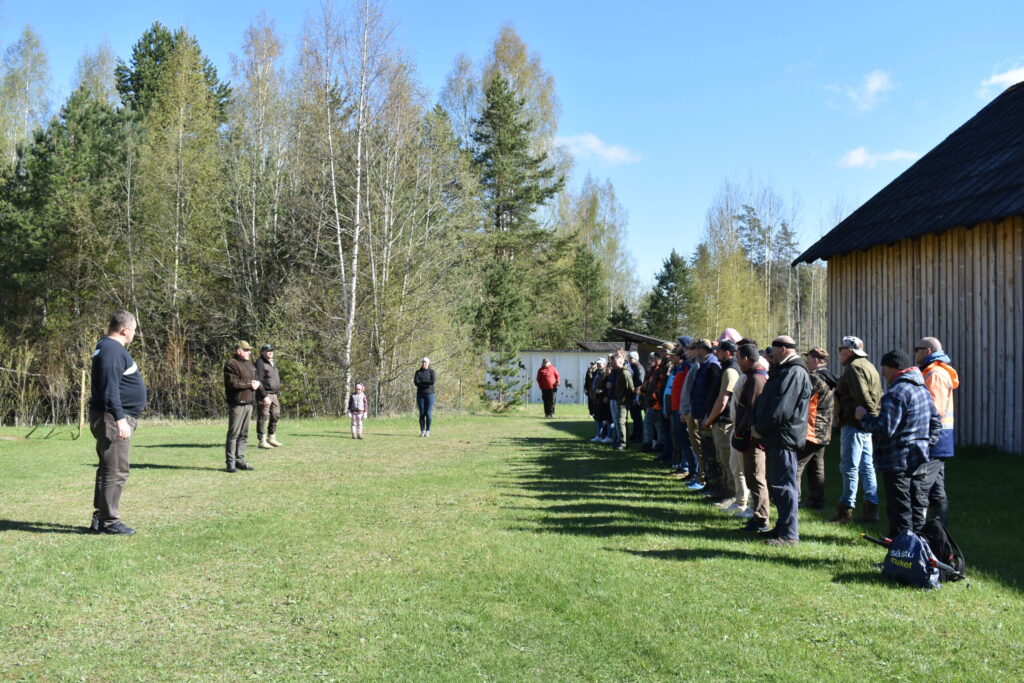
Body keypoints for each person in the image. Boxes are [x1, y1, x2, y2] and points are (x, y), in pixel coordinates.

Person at [857, 350, 942, 537]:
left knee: (900, 511)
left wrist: (864, 418)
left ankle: (901, 557)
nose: (883, 373)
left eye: (884, 369)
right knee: (917, 508)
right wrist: (926, 444)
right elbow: (936, 423)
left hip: (897, 462)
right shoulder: (922, 389)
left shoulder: (896, 393)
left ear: (893, 368)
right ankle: (919, 552)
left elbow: (885, 428)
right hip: (919, 458)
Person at [88, 310, 147, 535]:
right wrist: (120, 419)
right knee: (116, 470)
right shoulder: (112, 350)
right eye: (133, 330)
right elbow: (110, 389)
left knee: (108, 468)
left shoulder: (107, 347)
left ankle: (100, 517)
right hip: (113, 417)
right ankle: (109, 521)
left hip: (111, 415)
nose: (134, 334)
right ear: (125, 329)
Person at [753, 335, 811, 547]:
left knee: (785, 487)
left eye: (774, 350)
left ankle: (789, 534)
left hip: (784, 437)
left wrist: (760, 428)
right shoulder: (784, 370)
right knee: (778, 485)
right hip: (776, 436)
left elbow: (782, 408)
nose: (770, 354)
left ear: (784, 349)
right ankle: (782, 527)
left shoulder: (794, 372)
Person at [830, 335, 882, 524]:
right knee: (867, 467)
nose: (839, 353)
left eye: (840, 349)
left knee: (849, 467)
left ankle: (846, 510)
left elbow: (863, 395)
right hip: (864, 425)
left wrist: (870, 415)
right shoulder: (868, 365)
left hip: (854, 423)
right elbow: (878, 394)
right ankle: (871, 508)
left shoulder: (853, 368)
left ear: (849, 350)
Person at [915, 336, 958, 525]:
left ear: (927, 351)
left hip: (935, 438)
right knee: (937, 489)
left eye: (917, 348)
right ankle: (939, 529)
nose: (915, 352)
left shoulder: (935, 374)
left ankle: (918, 530)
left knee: (922, 485)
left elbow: (934, 409)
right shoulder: (931, 371)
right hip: (940, 437)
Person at [703, 338, 744, 513]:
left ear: (727, 352)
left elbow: (724, 399)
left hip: (724, 422)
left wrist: (710, 419)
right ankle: (725, 491)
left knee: (728, 461)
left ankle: (732, 495)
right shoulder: (725, 369)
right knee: (722, 459)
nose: (716, 353)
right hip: (720, 421)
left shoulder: (730, 371)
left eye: (719, 351)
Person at [733, 342, 770, 532]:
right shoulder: (750, 376)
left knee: (756, 477)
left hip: (752, 437)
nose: (737, 362)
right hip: (747, 435)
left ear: (747, 358)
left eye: (738, 358)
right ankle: (757, 514)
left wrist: (742, 430)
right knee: (751, 476)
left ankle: (762, 518)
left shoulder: (756, 378)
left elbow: (753, 409)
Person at [797, 348, 838, 510]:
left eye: (809, 358)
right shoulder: (830, 377)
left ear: (815, 359)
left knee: (797, 466)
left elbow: (803, 400)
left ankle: (795, 499)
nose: (807, 361)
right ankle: (817, 500)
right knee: (816, 466)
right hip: (825, 429)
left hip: (812, 429)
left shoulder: (814, 378)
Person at [224, 341, 261, 473]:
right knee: (234, 434)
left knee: (244, 434)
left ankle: (240, 460)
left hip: (249, 403)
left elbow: (256, 378)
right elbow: (234, 383)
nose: (249, 352)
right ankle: (230, 462)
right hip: (237, 404)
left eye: (249, 350)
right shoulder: (231, 364)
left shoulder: (250, 364)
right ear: (238, 351)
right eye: (246, 350)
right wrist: (251, 384)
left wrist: (256, 383)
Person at [255, 344, 283, 449]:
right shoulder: (260, 363)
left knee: (276, 414)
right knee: (263, 416)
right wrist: (263, 395)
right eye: (267, 351)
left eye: (271, 350)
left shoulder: (272, 363)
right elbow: (258, 380)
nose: (270, 352)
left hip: (274, 394)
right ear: (262, 352)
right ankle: (262, 440)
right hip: (265, 394)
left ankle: (271, 437)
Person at [610, 354, 635, 451]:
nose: (614, 365)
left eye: (615, 363)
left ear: (621, 363)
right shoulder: (619, 372)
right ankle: (622, 441)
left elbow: (631, 388)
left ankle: (623, 443)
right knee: (621, 422)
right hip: (619, 401)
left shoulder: (625, 373)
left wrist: (628, 399)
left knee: (621, 422)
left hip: (624, 402)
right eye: (613, 363)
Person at [414, 357, 436, 437]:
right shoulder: (418, 372)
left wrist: (422, 383)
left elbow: (432, 381)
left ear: (428, 363)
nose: (424, 363)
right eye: (423, 362)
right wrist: (426, 384)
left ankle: (428, 431)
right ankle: (422, 431)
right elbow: (416, 382)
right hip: (420, 395)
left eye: (425, 362)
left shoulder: (431, 372)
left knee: (428, 413)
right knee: (422, 413)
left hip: (430, 395)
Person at [627, 351, 645, 441]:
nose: (629, 359)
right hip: (633, 394)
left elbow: (639, 383)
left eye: (631, 358)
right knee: (634, 416)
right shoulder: (633, 367)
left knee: (637, 417)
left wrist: (636, 397)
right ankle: (635, 434)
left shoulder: (639, 368)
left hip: (636, 395)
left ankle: (639, 436)